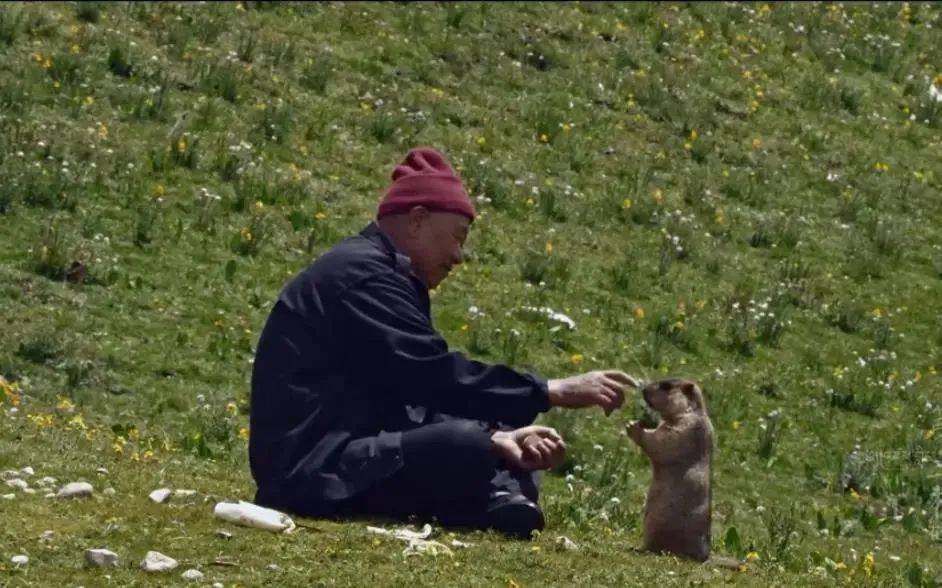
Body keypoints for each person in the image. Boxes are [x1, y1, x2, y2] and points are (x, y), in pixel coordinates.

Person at [249, 147, 636, 538]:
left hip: (352, 449)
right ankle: (496, 497)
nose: (459, 255)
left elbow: (410, 392)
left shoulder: (385, 272)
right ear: (417, 221)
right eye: (457, 237)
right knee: (466, 440)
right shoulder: (364, 276)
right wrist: (550, 391)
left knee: (497, 425)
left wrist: (500, 435)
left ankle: (500, 495)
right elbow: (431, 376)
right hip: (311, 469)